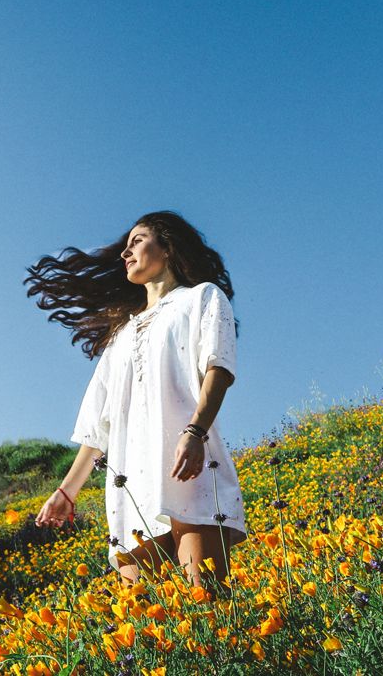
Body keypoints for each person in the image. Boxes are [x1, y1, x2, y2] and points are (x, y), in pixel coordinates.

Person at [24, 211, 248, 595]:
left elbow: (219, 367)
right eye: (126, 245)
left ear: (168, 247)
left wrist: (195, 432)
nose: (126, 252)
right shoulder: (121, 335)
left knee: (206, 600)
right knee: (142, 622)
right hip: (131, 483)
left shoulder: (202, 298)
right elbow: (100, 423)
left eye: (138, 240)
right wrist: (66, 492)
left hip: (189, 465)